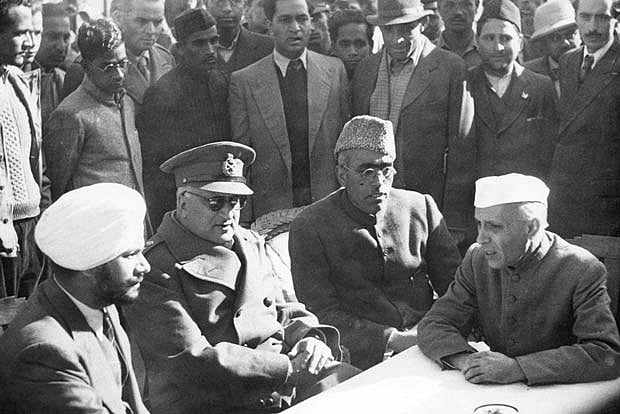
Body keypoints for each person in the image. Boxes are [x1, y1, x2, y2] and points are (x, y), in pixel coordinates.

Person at [126, 142, 359, 414]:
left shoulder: (248, 242)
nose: (228, 214)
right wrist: (286, 368)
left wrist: (310, 338)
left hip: (279, 383)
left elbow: (281, 309)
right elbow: (192, 360)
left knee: (361, 389)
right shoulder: (155, 267)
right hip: (217, 400)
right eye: (215, 203)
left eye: (236, 202)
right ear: (183, 202)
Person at [289, 116, 461, 370]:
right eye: (367, 171)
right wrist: (393, 340)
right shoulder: (311, 226)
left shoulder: (420, 207)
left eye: (386, 170)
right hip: (361, 356)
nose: (379, 182)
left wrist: (440, 328)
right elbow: (320, 313)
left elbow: (456, 287)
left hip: (432, 340)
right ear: (341, 174)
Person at [418, 173, 620, 385]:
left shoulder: (582, 269)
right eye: (479, 224)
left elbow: (605, 353)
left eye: (494, 226)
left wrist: (518, 368)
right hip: (493, 390)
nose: (481, 238)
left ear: (532, 227)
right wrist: (467, 361)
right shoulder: (477, 259)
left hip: (556, 390)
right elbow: (436, 322)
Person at [0, 183, 151, 413]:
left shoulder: (98, 303)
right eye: (130, 255)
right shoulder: (47, 354)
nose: (145, 266)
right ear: (89, 265)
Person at [351, 0, 472, 239]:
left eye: (406, 29)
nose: (397, 39)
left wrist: (454, 220)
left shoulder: (449, 67)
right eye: (389, 30)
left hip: (426, 204)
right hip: (373, 201)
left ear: (423, 24)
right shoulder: (366, 69)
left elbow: (462, 150)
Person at [230, 0, 349, 223]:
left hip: (328, 205)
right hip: (271, 209)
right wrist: (244, 219)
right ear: (269, 25)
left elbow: (345, 148)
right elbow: (241, 157)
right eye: (285, 20)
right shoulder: (245, 81)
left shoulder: (335, 70)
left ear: (311, 23)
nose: (295, 28)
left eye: (302, 19)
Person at [139, 9, 230, 228]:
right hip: (181, 205)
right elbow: (156, 170)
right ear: (180, 48)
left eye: (214, 41)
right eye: (199, 43)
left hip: (220, 199)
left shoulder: (221, 82)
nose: (210, 50)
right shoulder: (161, 94)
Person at [44, 19, 145, 203]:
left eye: (123, 63)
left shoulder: (126, 103)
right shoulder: (70, 115)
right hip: (93, 219)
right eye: (108, 67)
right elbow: (56, 187)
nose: (119, 74)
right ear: (86, 66)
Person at [547, 0, 620, 238]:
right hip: (564, 200)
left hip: (606, 207)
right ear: (575, 18)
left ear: (616, 18)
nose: (592, 27)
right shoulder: (569, 61)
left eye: (602, 18)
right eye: (585, 17)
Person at [468, 0, 558, 180]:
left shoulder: (541, 87)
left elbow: (552, 152)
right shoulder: (464, 84)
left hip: (526, 193)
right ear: (477, 42)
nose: (498, 47)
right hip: (477, 192)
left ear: (521, 42)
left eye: (506, 38)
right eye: (489, 38)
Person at [0, 0, 50, 298]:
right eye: (20, 33)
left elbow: (37, 161)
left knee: (31, 311)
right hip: (4, 234)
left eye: (33, 32)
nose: (30, 43)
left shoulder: (19, 82)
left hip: (30, 228)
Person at [63, 0, 175, 108]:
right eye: (141, 21)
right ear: (118, 18)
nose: (151, 31)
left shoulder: (165, 58)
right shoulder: (88, 67)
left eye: (157, 22)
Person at [524, 0, 581, 97]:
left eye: (570, 34)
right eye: (555, 38)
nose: (565, 43)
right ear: (543, 45)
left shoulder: (596, 67)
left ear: (580, 35)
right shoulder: (527, 74)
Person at [205, 0, 273, 77]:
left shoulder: (269, 47)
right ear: (206, 4)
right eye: (219, 1)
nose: (227, 8)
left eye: (236, 1)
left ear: (244, 6)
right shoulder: (195, 48)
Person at [31, 3, 71, 123]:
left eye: (66, 38)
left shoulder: (66, 80)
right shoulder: (16, 81)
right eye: (53, 37)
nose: (61, 47)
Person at [328, 8, 373, 80]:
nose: (352, 52)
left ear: (371, 46)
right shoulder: (322, 76)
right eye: (345, 45)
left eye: (359, 45)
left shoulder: (383, 75)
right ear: (334, 47)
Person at [436, 0, 481, 68]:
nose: (458, 12)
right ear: (439, 9)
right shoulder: (425, 54)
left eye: (466, 5)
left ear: (476, 7)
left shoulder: (490, 52)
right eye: (450, 5)